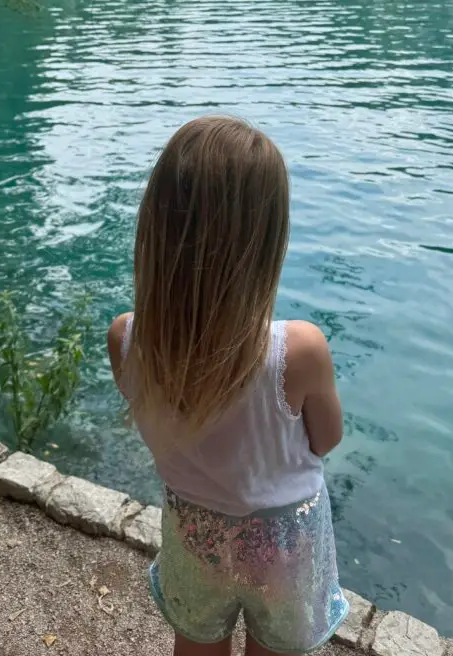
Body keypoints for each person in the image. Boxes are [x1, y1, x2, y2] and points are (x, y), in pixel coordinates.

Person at [108, 115, 348, 656]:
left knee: (195, 645)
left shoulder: (126, 339)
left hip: (193, 533)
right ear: (265, 243)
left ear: (157, 228)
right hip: (286, 543)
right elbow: (326, 440)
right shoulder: (299, 351)